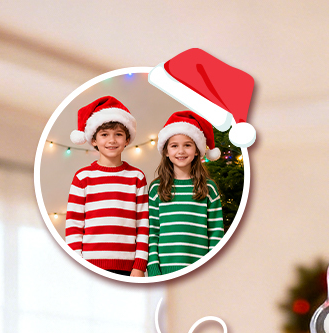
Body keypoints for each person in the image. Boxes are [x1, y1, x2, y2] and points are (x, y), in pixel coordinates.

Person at [65, 96, 147, 277]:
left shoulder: (137, 177)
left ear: (127, 139)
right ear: (93, 140)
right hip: (89, 265)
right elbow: (74, 225)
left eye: (118, 134)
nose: (112, 140)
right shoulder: (82, 177)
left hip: (128, 268)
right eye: (104, 134)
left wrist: (139, 266)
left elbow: (143, 225)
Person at [146, 111, 225, 276]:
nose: (180, 151)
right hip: (163, 272)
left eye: (187, 145)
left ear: (197, 150)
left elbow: (216, 233)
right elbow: (152, 232)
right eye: (174, 145)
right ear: (166, 151)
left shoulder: (209, 188)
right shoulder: (156, 189)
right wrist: (153, 269)